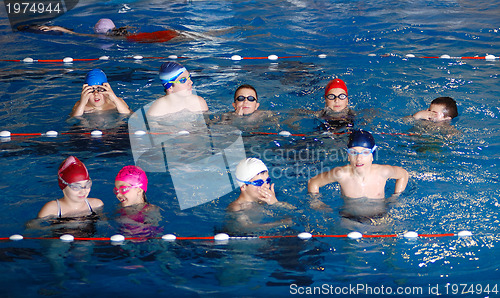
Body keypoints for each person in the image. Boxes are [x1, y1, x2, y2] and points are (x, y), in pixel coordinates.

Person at [307, 130, 409, 209]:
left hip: (379, 218)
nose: (359, 158)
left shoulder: (382, 172)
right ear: (348, 156)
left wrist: (396, 198)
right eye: (353, 152)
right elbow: (313, 182)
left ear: (372, 156)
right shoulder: (341, 174)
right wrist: (317, 203)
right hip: (349, 219)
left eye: (365, 152)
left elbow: (403, 174)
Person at [226, 158, 294, 232]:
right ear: (243, 186)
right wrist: (279, 223)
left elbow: (295, 211)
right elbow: (246, 227)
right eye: (259, 183)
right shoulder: (236, 207)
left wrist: (275, 203)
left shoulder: (263, 200)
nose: (265, 186)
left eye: (267, 181)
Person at [37, 156, 103, 219]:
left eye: (87, 185)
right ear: (63, 186)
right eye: (76, 187)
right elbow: (32, 227)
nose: (83, 191)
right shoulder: (52, 209)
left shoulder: (96, 205)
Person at [17, 18, 179, 43]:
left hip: (148, 39)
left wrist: (56, 28)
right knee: (185, 36)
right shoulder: (122, 33)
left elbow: (76, 34)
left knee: (183, 39)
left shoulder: (116, 39)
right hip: (153, 35)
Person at [114, 165, 162, 239]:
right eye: (116, 190)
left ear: (139, 190)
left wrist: (125, 220)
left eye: (123, 189)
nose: (118, 194)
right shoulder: (119, 208)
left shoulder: (150, 209)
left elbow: (152, 230)